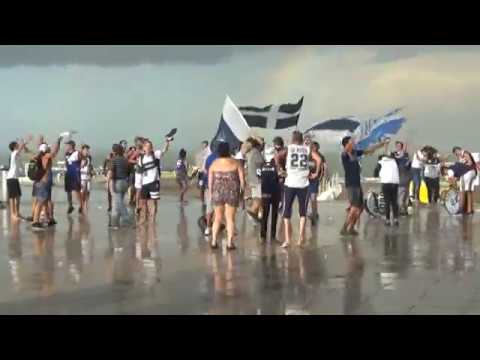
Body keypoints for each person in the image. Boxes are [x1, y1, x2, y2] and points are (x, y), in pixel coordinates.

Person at [276, 131, 321, 248]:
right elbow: (319, 160)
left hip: (290, 183)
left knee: (286, 213)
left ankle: (287, 239)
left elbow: (277, 156)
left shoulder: (288, 148)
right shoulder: (307, 149)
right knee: (302, 212)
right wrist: (315, 173)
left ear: (292, 139)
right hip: (303, 184)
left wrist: (280, 169)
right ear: (301, 140)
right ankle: (301, 238)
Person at [340, 136, 387, 236]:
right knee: (354, 207)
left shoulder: (354, 152)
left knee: (360, 208)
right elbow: (349, 154)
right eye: (351, 141)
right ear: (347, 144)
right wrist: (351, 148)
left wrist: (380, 144)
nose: (354, 142)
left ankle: (351, 228)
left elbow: (368, 150)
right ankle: (344, 228)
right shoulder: (345, 154)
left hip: (357, 183)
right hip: (351, 184)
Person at [208, 142, 245, 250]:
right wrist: (242, 194)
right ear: (228, 150)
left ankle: (214, 241)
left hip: (217, 193)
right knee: (230, 219)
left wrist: (211, 194)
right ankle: (229, 243)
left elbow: (210, 182)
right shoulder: (236, 163)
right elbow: (242, 181)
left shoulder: (214, 164)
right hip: (232, 193)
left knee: (217, 218)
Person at [135, 137, 171, 224]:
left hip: (154, 182)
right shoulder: (141, 159)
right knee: (143, 203)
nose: (149, 148)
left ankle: (152, 221)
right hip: (144, 184)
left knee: (153, 203)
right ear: (143, 148)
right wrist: (138, 186)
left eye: (150, 146)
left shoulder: (156, 154)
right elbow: (139, 173)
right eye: (147, 146)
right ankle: (144, 219)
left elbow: (165, 150)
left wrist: (167, 142)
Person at [32, 137, 62, 230]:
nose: (49, 148)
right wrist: (58, 141)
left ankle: (49, 218)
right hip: (44, 182)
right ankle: (35, 221)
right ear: (45, 150)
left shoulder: (40, 156)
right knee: (41, 201)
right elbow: (54, 152)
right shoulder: (45, 157)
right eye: (48, 148)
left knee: (46, 201)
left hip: (44, 182)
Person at [7, 136, 32, 221]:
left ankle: (17, 213)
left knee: (18, 196)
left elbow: (22, 150)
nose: (18, 145)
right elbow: (20, 149)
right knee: (12, 197)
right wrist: (25, 141)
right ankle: (13, 214)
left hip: (15, 178)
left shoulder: (16, 155)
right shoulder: (14, 153)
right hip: (11, 178)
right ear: (14, 147)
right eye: (17, 144)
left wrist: (22, 143)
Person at [259, 147, 280, 243]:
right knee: (274, 215)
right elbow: (280, 177)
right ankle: (273, 236)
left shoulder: (261, 166)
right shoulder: (276, 166)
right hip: (275, 192)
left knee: (265, 215)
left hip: (265, 193)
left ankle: (262, 236)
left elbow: (259, 177)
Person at [107, 144, 130, 229]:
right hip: (125, 182)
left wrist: (108, 182)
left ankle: (126, 218)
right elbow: (129, 172)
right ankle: (114, 224)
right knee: (116, 203)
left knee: (118, 203)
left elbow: (111, 172)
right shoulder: (125, 160)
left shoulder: (114, 160)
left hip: (117, 182)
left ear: (114, 151)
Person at [245, 137, 264, 223]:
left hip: (252, 179)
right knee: (259, 199)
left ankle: (257, 216)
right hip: (257, 180)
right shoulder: (256, 153)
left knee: (257, 198)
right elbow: (260, 167)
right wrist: (262, 178)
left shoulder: (250, 153)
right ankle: (251, 211)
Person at [378, 154, 400, 226]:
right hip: (395, 183)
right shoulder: (394, 161)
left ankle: (387, 220)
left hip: (386, 183)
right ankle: (396, 219)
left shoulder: (382, 162)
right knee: (394, 202)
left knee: (387, 202)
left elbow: (377, 172)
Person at [203, 144, 220, 236]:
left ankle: (208, 228)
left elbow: (206, 171)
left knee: (209, 208)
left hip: (209, 186)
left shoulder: (209, 158)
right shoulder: (221, 158)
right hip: (219, 187)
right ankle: (216, 226)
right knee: (219, 208)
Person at [391, 141, 411, 215]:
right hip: (398, 179)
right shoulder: (393, 155)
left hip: (406, 178)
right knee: (400, 195)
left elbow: (408, 165)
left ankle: (404, 210)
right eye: (397, 146)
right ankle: (399, 210)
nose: (398, 147)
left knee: (406, 195)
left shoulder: (406, 155)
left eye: (400, 146)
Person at [64, 140, 83, 214]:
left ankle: (81, 205)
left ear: (71, 145)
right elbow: (66, 162)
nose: (66, 146)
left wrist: (78, 168)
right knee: (68, 191)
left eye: (67, 145)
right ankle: (70, 205)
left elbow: (81, 160)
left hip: (75, 174)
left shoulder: (77, 153)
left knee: (77, 191)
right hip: (68, 173)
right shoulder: (66, 153)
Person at [308, 141, 324, 226]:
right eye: (312, 147)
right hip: (306, 179)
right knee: (308, 198)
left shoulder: (319, 156)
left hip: (314, 180)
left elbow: (323, 167)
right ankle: (311, 213)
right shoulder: (307, 155)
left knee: (313, 198)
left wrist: (318, 176)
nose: (314, 149)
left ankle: (314, 215)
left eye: (315, 147)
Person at [460, 149, 477, 215]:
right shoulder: (466, 159)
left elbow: (469, 163)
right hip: (471, 174)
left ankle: (468, 209)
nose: (465, 156)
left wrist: (463, 163)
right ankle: (469, 209)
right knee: (468, 191)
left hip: (469, 174)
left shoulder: (467, 158)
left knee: (467, 191)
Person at [273, 136, 287, 211]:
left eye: (275, 144)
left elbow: (278, 163)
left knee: (282, 190)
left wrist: (281, 172)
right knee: (281, 190)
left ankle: (282, 205)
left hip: (282, 173)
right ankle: (282, 204)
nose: (274, 146)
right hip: (281, 173)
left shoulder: (282, 152)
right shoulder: (281, 151)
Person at [195, 141, 211, 205]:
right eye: (202, 145)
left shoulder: (209, 152)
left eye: (204, 145)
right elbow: (198, 162)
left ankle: (207, 201)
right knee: (202, 187)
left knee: (207, 187)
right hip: (201, 173)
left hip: (207, 172)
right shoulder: (200, 153)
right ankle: (202, 202)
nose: (203, 146)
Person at [80, 145, 93, 213]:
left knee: (88, 191)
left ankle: (86, 204)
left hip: (88, 177)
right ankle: (81, 205)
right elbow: (79, 166)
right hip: (82, 177)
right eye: (85, 150)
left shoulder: (89, 157)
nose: (87, 151)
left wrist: (91, 171)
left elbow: (90, 166)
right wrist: (83, 164)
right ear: (82, 150)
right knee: (82, 192)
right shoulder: (80, 157)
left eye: (88, 150)